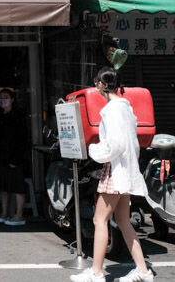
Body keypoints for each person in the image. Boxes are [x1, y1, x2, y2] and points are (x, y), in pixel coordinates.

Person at [71, 67, 152, 282]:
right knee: (123, 221)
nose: (95, 85)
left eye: (96, 82)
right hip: (126, 169)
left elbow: (115, 144)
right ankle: (143, 271)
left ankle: (96, 273)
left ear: (101, 85)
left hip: (115, 169)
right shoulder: (126, 108)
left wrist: (94, 151)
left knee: (100, 220)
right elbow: (131, 143)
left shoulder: (113, 109)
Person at [0, 88, 29, 225]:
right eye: (0, 97)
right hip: (0, 156)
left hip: (14, 157)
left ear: (12, 100)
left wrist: (17, 158)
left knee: (17, 186)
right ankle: (4, 212)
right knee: (3, 186)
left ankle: (19, 215)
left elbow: (23, 139)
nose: (2, 100)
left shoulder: (18, 116)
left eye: (5, 97)